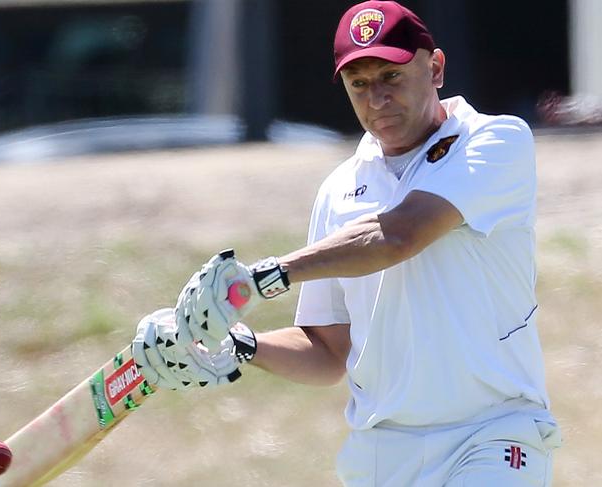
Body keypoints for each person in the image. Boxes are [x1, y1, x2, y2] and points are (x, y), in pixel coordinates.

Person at [132, 1, 561, 485]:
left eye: (390, 77)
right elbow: (329, 351)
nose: (377, 98)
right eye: (360, 84)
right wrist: (237, 345)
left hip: (494, 435)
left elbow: (399, 234)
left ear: (435, 67)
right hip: (381, 452)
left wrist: (260, 279)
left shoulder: (496, 141)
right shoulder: (338, 189)